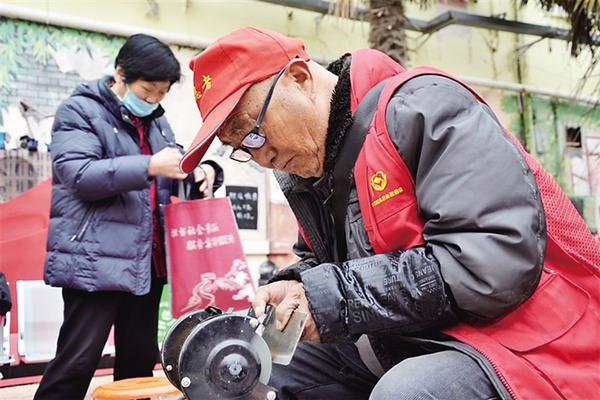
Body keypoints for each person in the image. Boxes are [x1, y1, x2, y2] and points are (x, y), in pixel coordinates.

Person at [179, 27, 600, 400]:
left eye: (254, 131)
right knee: (255, 373)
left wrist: (331, 297)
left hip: (524, 337)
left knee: (407, 392)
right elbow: (329, 266)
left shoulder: (426, 108)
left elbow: (489, 265)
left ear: (300, 78)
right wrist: (296, 286)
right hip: (415, 337)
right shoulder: (313, 171)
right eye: (241, 149)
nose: (261, 156)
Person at [34, 34, 223, 400]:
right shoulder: (79, 111)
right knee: (77, 361)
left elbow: (176, 165)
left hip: (146, 262)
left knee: (139, 362)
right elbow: (77, 174)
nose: (153, 100)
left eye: (161, 94)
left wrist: (206, 172)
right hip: (94, 261)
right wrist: (149, 165)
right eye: (147, 90)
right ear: (120, 74)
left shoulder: (156, 122)